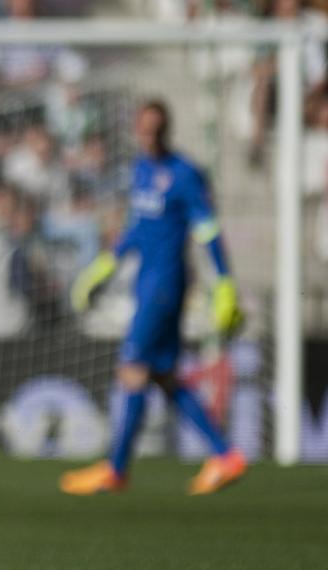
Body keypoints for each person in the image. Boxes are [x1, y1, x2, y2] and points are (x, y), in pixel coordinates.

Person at [60, 100, 247, 496]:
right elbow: (138, 227)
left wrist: (225, 283)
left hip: (166, 285)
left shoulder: (184, 174)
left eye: (155, 130)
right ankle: (225, 455)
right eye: (143, 130)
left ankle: (116, 468)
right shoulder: (141, 170)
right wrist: (105, 265)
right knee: (163, 376)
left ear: (166, 130)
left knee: (131, 368)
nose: (149, 137)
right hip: (144, 280)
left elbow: (207, 229)